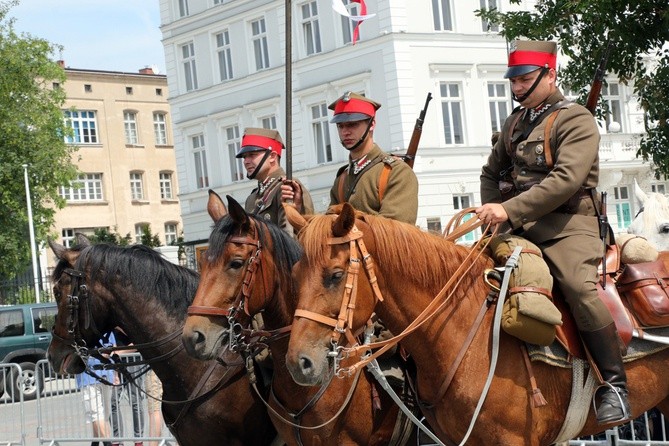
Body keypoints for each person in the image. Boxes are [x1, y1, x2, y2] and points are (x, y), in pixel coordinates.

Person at [476, 39, 630, 424]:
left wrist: (508, 210)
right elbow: (490, 173)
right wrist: (497, 217)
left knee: (579, 289)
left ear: (550, 75)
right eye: (513, 80)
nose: (516, 88)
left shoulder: (575, 119)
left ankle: (614, 385)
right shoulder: (515, 123)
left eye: (525, 79)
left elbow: (565, 180)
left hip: (568, 227)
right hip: (521, 227)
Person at [326, 91, 418, 224]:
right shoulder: (342, 179)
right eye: (340, 126)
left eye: (352, 124)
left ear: (372, 124)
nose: (345, 132)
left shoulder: (395, 172)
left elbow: (395, 230)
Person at [236, 127, 314, 233]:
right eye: (244, 157)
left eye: (252, 155)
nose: (246, 161)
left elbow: (295, 234)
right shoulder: (251, 199)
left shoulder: (286, 186)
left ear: (272, 156)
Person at [75, 334, 115, 446]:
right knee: (95, 414)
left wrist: (115, 372)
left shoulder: (107, 330)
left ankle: (95, 443)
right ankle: (108, 444)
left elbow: (113, 348)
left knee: (104, 416)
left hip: (106, 375)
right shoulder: (79, 329)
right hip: (88, 377)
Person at [109, 328, 144, 446]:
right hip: (116, 363)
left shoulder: (125, 320)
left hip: (132, 361)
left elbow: (139, 340)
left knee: (135, 402)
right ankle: (117, 440)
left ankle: (138, 440)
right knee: (113, 402)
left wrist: (121, 352)